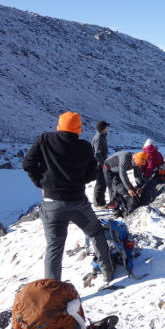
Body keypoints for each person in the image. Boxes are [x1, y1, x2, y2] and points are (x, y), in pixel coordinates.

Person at [23, 111, 114, 282]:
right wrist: (78, 182)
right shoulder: (85, 147)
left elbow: (27, 164)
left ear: (59, 125)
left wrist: (41, 184)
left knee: (54, 248)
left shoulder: (45, 140)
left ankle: (52, 290)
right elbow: (92, 174)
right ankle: (107, 272)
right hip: (78, 203)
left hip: (51, 205)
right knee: (95, 232)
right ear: (78, 128)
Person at [92, 121, 110, 208]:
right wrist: (103, 164)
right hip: (99, 165)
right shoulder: (98, 138)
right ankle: (98, 203)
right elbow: (97, 154)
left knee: (102, 183)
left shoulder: (102, 137)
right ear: (102, 128)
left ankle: (101, 202)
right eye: (106, 127)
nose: (107, 128)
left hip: (102, 163)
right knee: (100, 183)